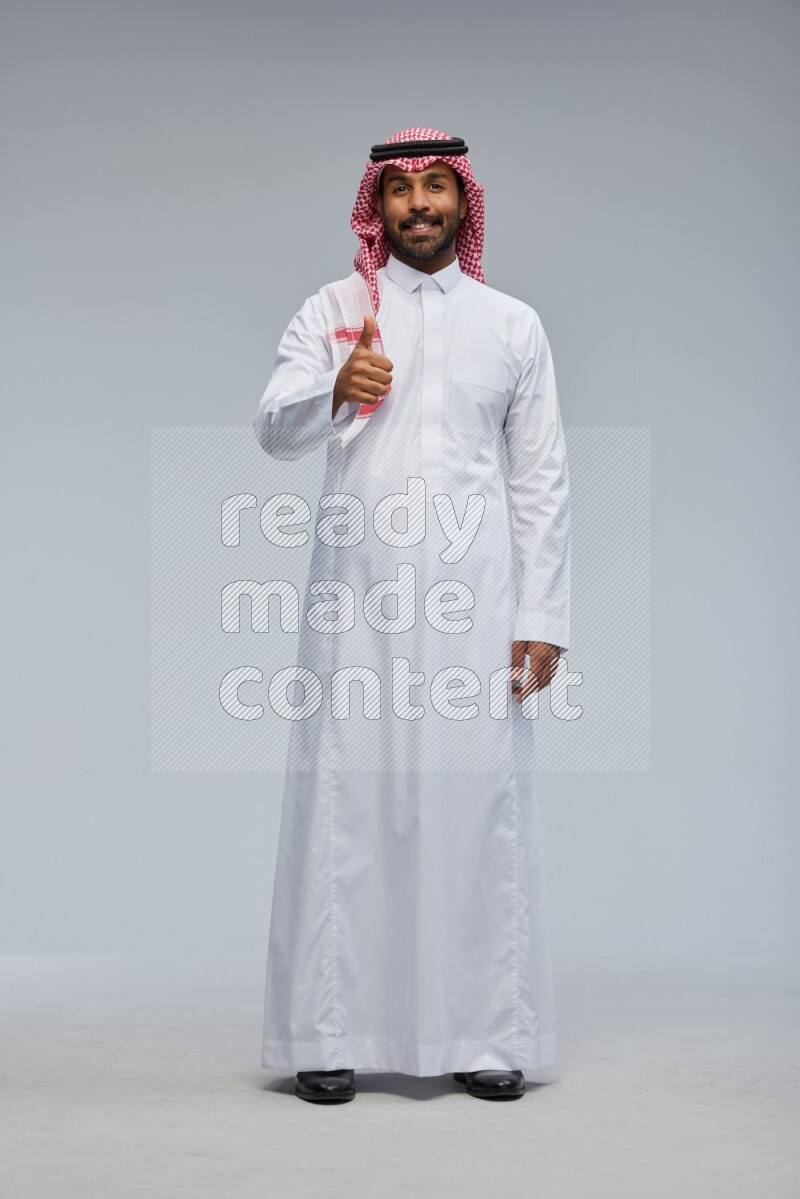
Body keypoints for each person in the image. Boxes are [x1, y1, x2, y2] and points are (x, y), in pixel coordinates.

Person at [253, 127, 571, 1104]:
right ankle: (328, 1032)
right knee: (351, 805)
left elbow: (540, 480)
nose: (420, 205)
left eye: (439, 187)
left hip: (476, 604)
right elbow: (270, 423)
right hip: (357, 600)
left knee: (476, 807)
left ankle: (484, 1033)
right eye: (402, 190)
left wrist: (541, 613)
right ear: (377, 205)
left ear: (463, 203)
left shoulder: (511, 324)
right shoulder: (335, 310)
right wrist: (329, 390)